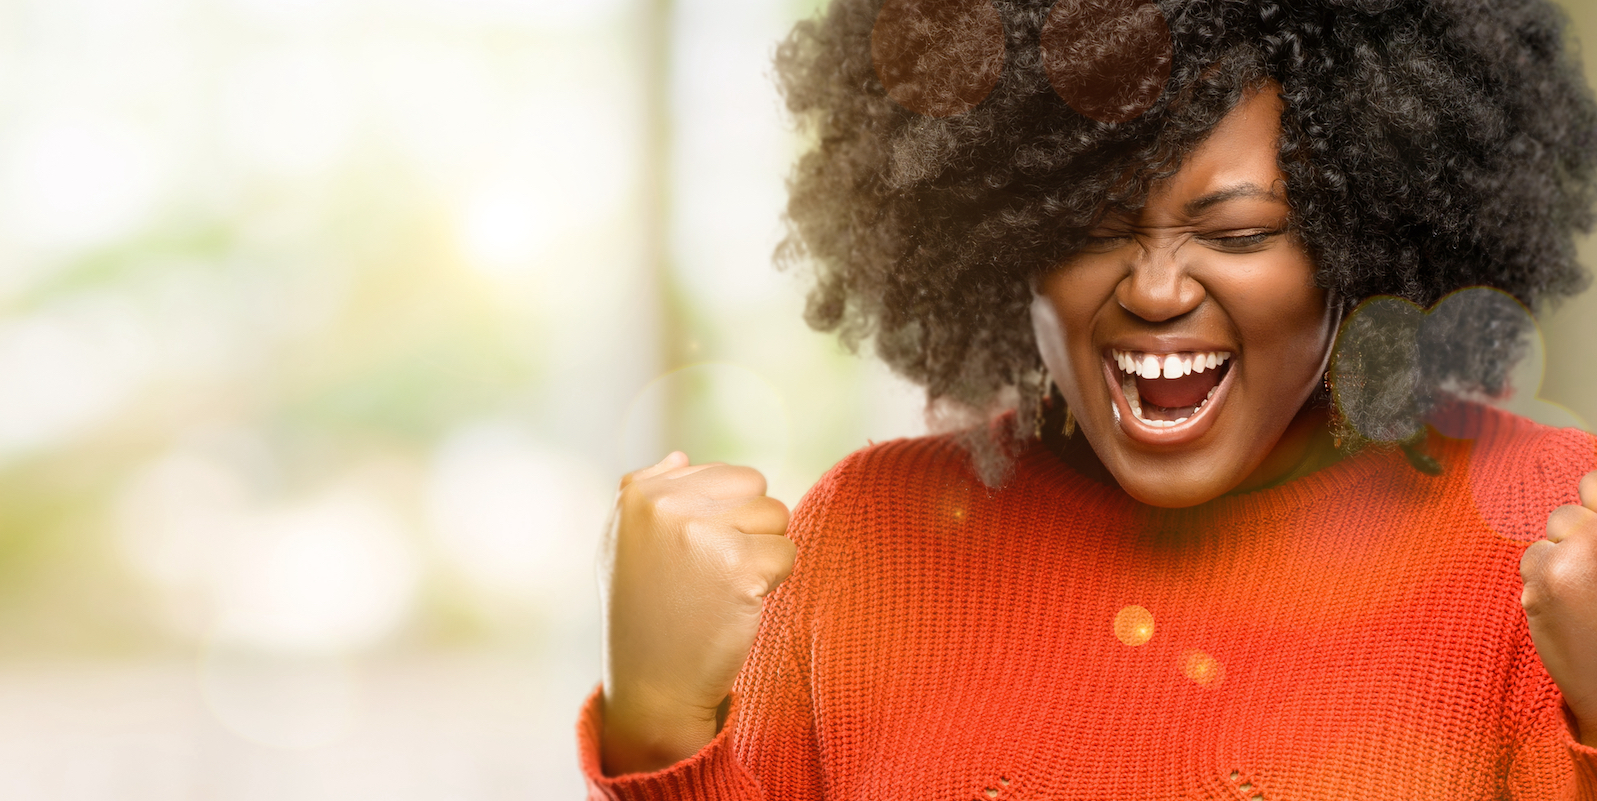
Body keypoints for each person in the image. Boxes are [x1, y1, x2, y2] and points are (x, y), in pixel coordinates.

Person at [581, 0, 1597, 797]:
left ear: (1362, 238)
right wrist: (660, 727)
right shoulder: (864, 535)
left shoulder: (1550, 529)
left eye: (1238, 233)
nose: (1155, 292)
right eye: (1089, 227)